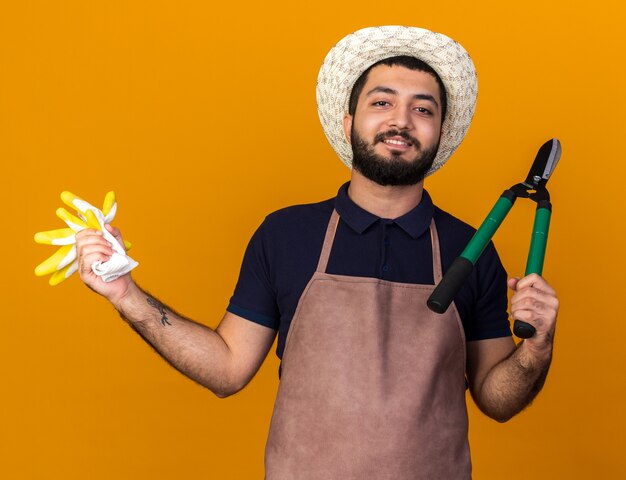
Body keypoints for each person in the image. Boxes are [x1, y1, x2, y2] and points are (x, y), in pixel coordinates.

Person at [76, 26, 559, 479]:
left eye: (423, 109)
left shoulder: (469, 248)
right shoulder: (287, 235)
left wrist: (535, 351)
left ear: (438, 131)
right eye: (382, 102)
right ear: (349, 122)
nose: (401, 121)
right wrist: (127, 296)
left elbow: (497, 399)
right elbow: (226, 369)